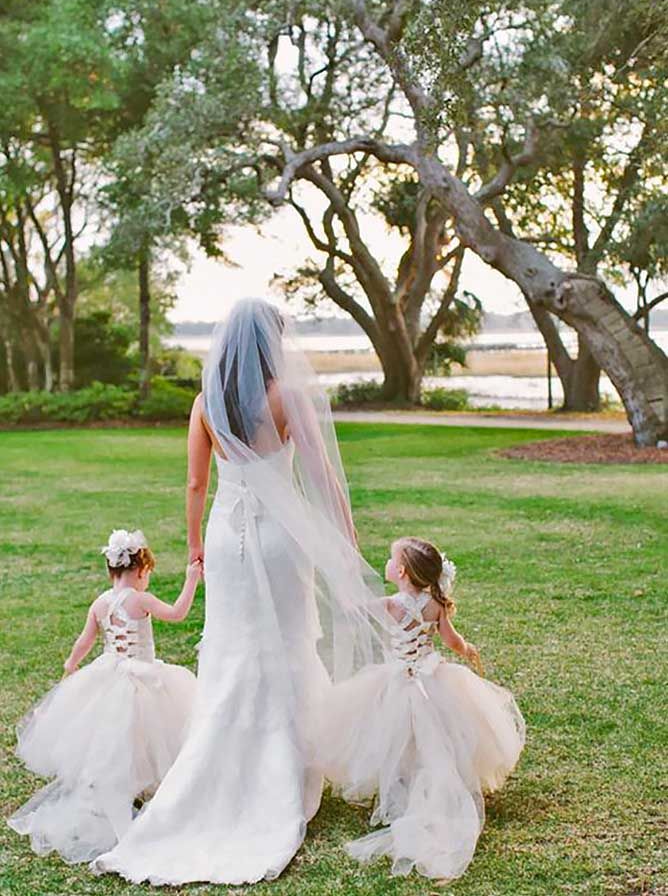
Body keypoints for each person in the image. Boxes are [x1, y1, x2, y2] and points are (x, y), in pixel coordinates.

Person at [93, 298, 388, 886]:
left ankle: (214, 767)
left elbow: (197, 482)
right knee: (284, 643)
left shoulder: (206, 403)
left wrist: (196, 544)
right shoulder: (287, 398)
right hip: (281, 537)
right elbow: (323, 477)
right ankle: (288, 769)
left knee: (231, 648)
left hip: (228, 537)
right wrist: (346, 541)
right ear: (271, 346)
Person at [317, 535, 526, 882]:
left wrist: (341, 592)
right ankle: (428, 780)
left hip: (396, 680)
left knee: (394, 734)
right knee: (439, 734)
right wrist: (468, 649)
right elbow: (451, 640)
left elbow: (356, 612)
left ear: (399, 571)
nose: (385, 563)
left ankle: (404, 785)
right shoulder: (435, 605)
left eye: (389, 558)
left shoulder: (390, 605)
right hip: (432, 678)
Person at [7, 529, 201, 864]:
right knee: (150, 734)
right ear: (141, 571)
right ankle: (149, 797)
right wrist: (192, 579)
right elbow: (177, 613)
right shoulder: (140, 600)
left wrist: (71, 664)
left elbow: (84, 641)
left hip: (108, 673)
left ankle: (123, 790)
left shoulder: (100, 602)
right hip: (141, 677)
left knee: (114, 738)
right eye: (148, 576)